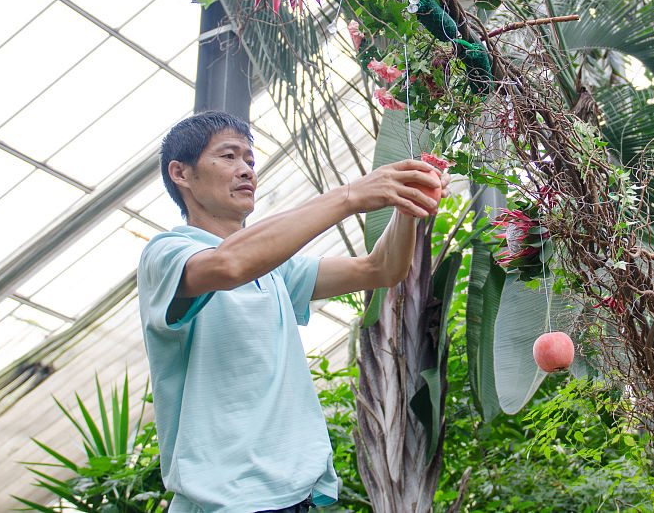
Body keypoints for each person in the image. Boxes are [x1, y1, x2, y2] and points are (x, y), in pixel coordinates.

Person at [137, 110, 444, 513]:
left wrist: (408, 202)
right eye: (228, 157)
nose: (246, 169)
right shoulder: (166, 254)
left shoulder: (274, 268)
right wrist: (350, 196)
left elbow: (381, 269)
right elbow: (228, 266)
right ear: (181, 173)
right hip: (225, 501)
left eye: (249, 159)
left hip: (295, 495)